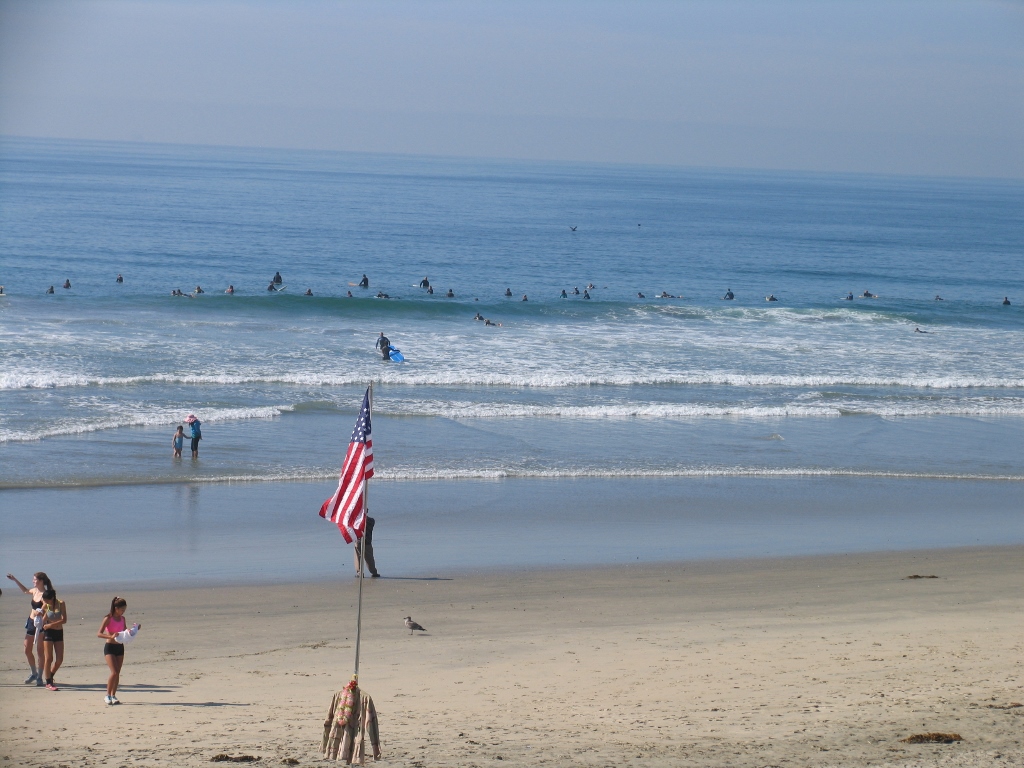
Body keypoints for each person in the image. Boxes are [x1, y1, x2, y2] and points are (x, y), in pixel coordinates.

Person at [7, 572, 51, 685]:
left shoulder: (45, 594)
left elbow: (47, 608)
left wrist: (41, 612)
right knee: (27, 649)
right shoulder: (35, 591)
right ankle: (33, 673)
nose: (33, 581)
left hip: (40, 624)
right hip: (31, 622)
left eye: (35, 580)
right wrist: (15, 579)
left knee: (40, 651)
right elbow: (26, 590)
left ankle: (40, 677)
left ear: (41, 581)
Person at [98, 596, 138, 705]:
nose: (123, 612)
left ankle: (113, 695)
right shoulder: (108, 619)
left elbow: (124, 631)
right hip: (110, 647)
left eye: (124, 610)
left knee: (118, 672)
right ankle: (107, 695)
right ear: (116, 608)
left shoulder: (122, 619)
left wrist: (133, 630)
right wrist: (110, 636)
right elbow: (99, 633)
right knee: (114, 672)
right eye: (122, 610)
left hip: (120, 647)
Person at [39, 588, 66, 691]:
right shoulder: (46, 605)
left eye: (46, 599)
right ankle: (48, 682)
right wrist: (39, 617)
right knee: (49, 658)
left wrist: (51, 625)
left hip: (58, 632)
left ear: (52, 598)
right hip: (48, 633)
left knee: (59, 659)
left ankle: (50, 675)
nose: (44, 601)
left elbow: (64, 620)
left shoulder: (61, 603)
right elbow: (43, 618)